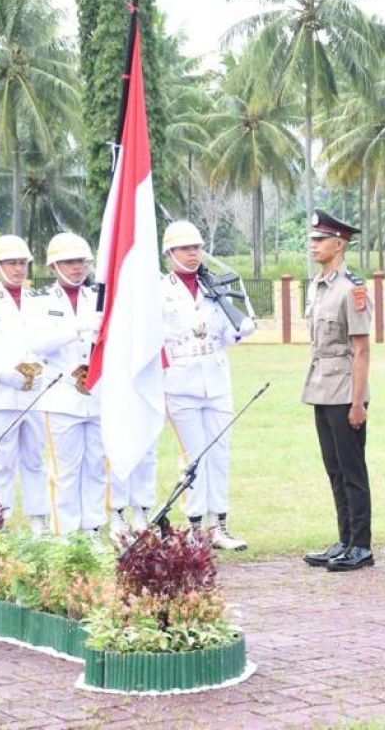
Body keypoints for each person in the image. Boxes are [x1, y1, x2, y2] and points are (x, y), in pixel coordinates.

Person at [160, 220, 254, 550]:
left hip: (215, 377)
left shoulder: (215, 288)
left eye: (197, 247)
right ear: (170, 253)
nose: (193, 253)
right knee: (193, 455)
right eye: (185, 248)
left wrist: (241, 325)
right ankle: (196, 526)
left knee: (220, 453)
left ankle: (220, 525)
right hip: (180, 379)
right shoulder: (160, 291)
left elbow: (232, 333)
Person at [300, 210, 374, 573]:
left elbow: (361, 349)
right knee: (334, 469)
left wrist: (358, 402)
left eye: (320, 240)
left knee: (352, 470)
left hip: (345, 389)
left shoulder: (351, 289)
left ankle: (361, 544)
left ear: (339, 244)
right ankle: (344, 539)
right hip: (320, 386)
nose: (313, 245)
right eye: (312, 239)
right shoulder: (317, 286)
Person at [27, 232, 105, 537]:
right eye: (69, 262)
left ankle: (93, 530)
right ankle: (66, 534)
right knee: (65, 472)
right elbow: (38, 344)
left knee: (96, 467)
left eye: (82, 262)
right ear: (54, 266)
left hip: (95, 394)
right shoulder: (40, 302)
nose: (77, 268)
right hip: (61, 397)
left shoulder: (96, 298)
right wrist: (78, 327)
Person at [0, 235, 49, 533]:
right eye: (10, 263)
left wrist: (41, 370)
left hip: (34, 395)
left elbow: (47, 345)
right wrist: (2, 375)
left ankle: (38, 521)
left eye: (22, 263)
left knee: (35, 459)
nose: (18, 269)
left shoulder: (40, 302)